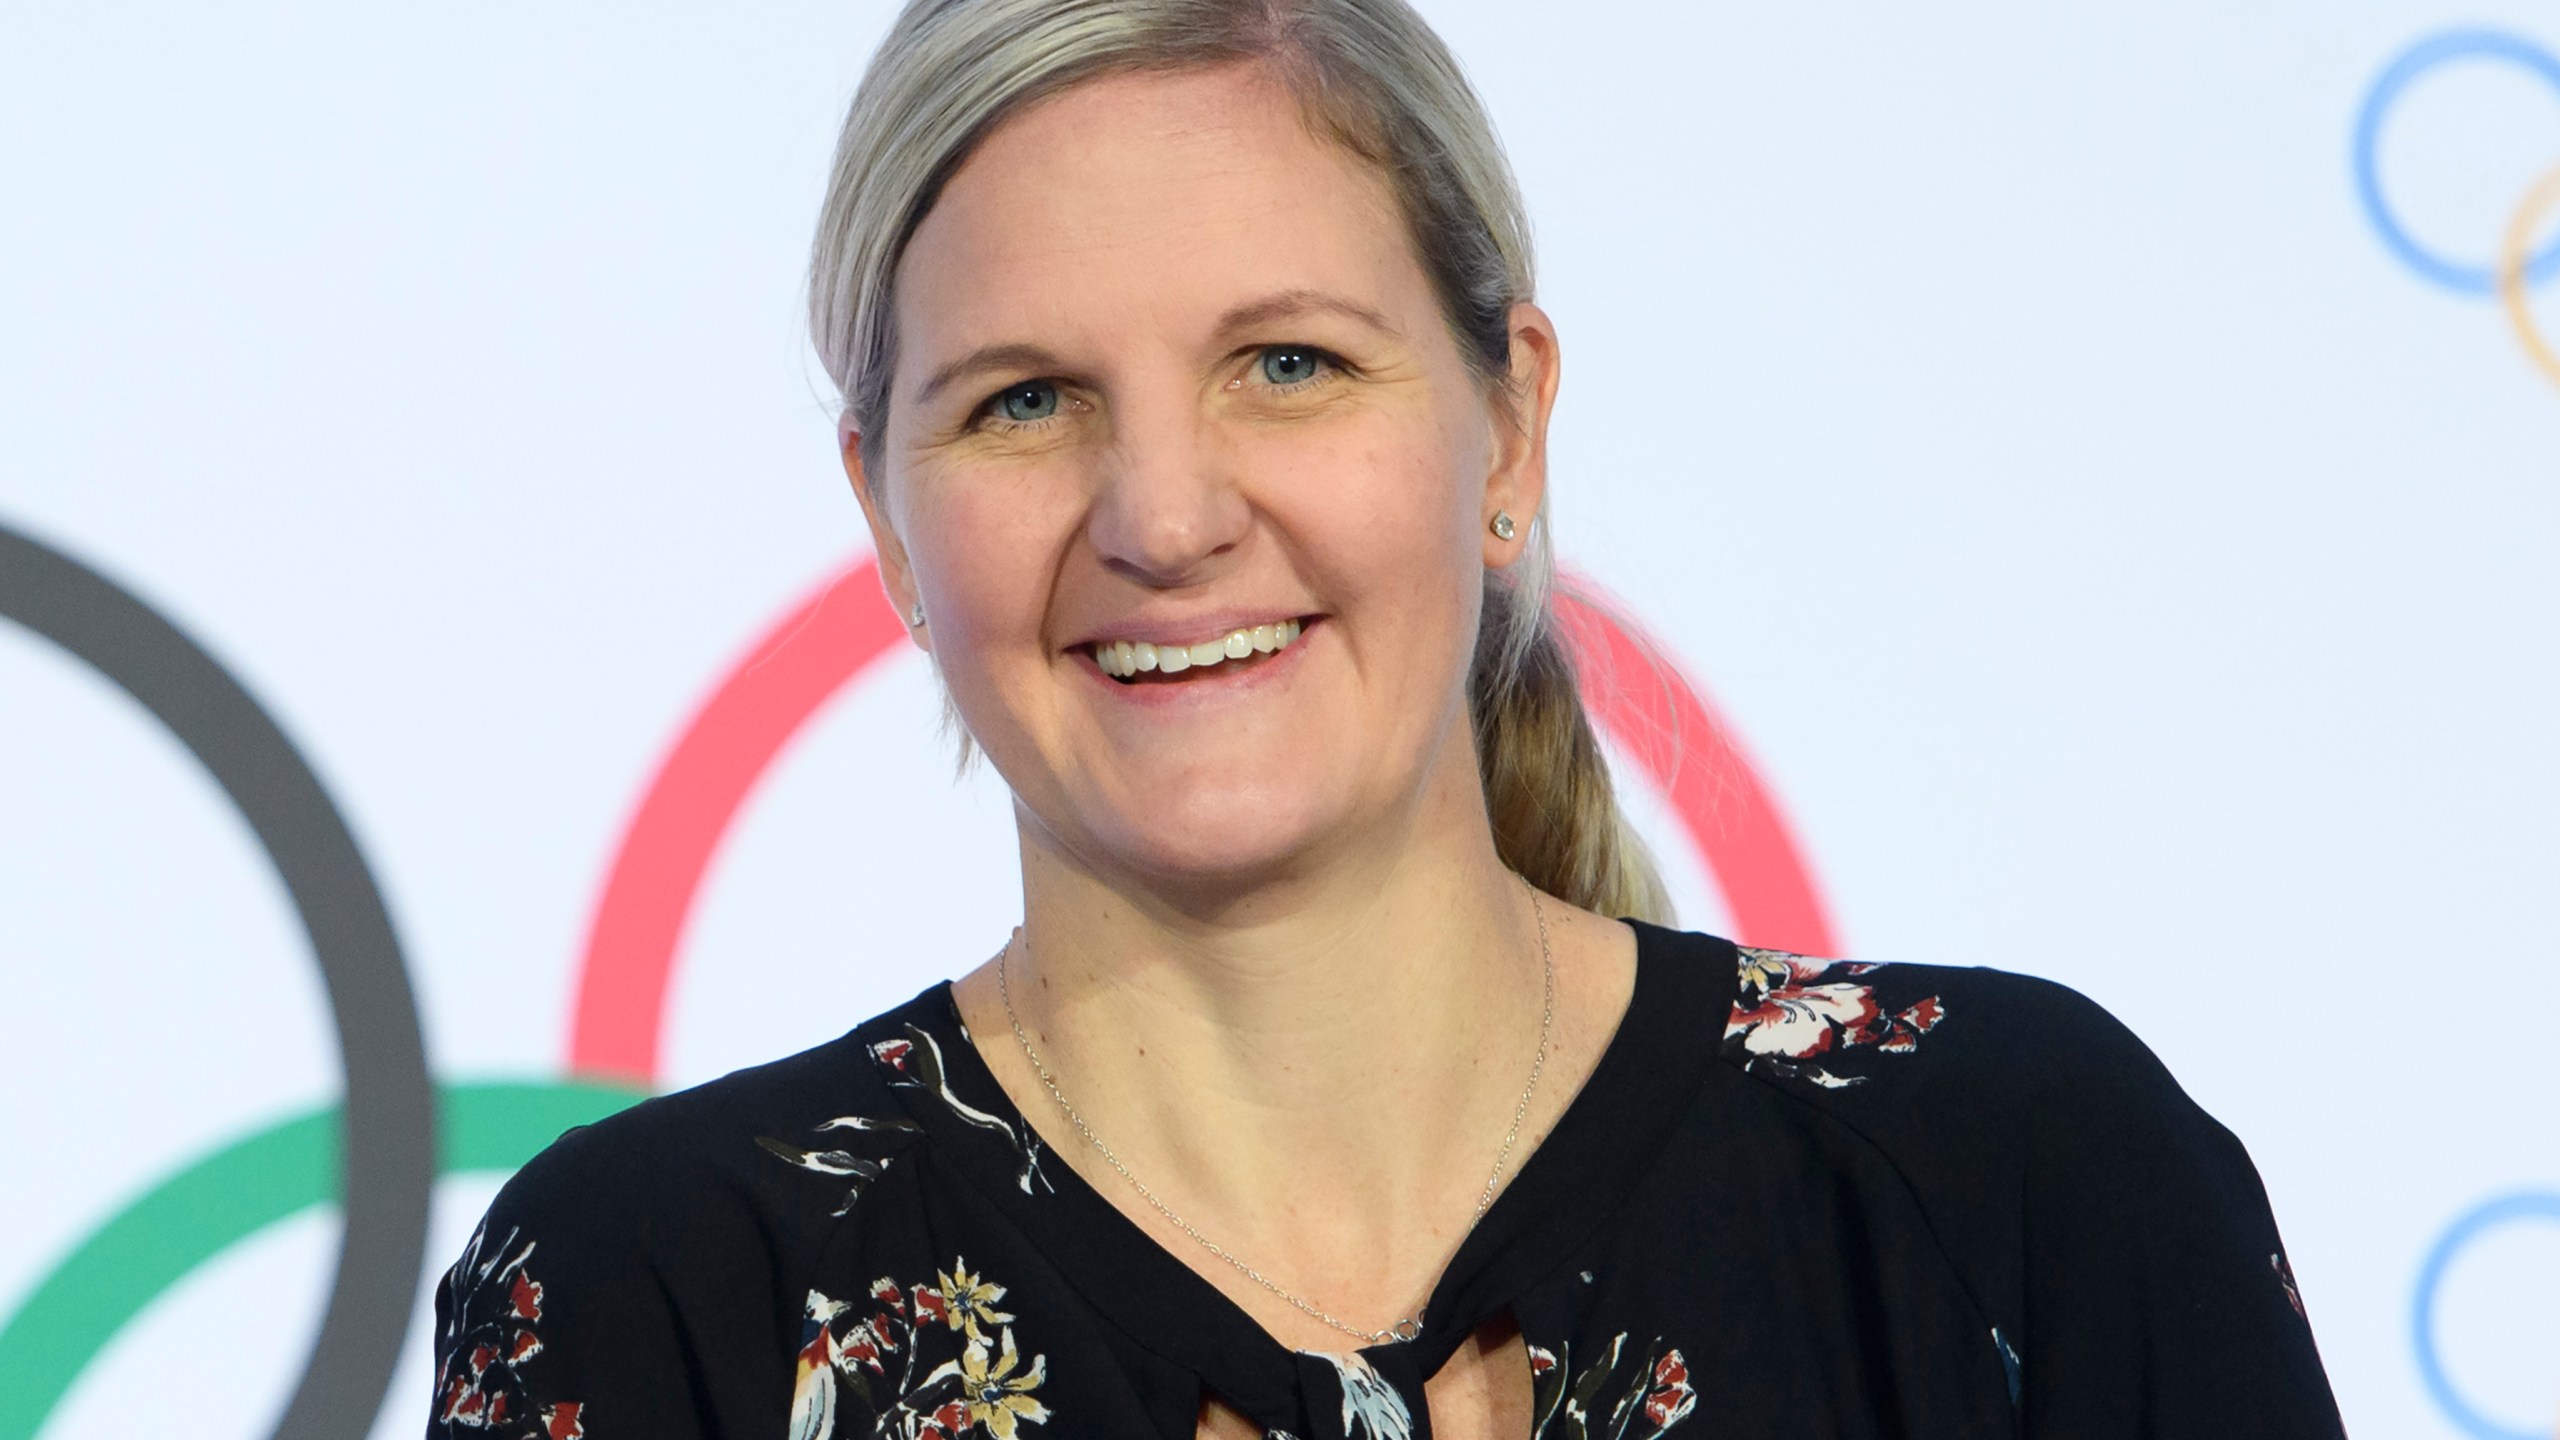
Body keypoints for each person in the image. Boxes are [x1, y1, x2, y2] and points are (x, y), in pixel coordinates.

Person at [426, 1, 2348, 1436]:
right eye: (1025, 400)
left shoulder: (2012, 1180)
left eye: (1287, 364)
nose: (1165, 517)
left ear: (1505, 422)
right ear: (889, 521)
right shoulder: (659, 1297)